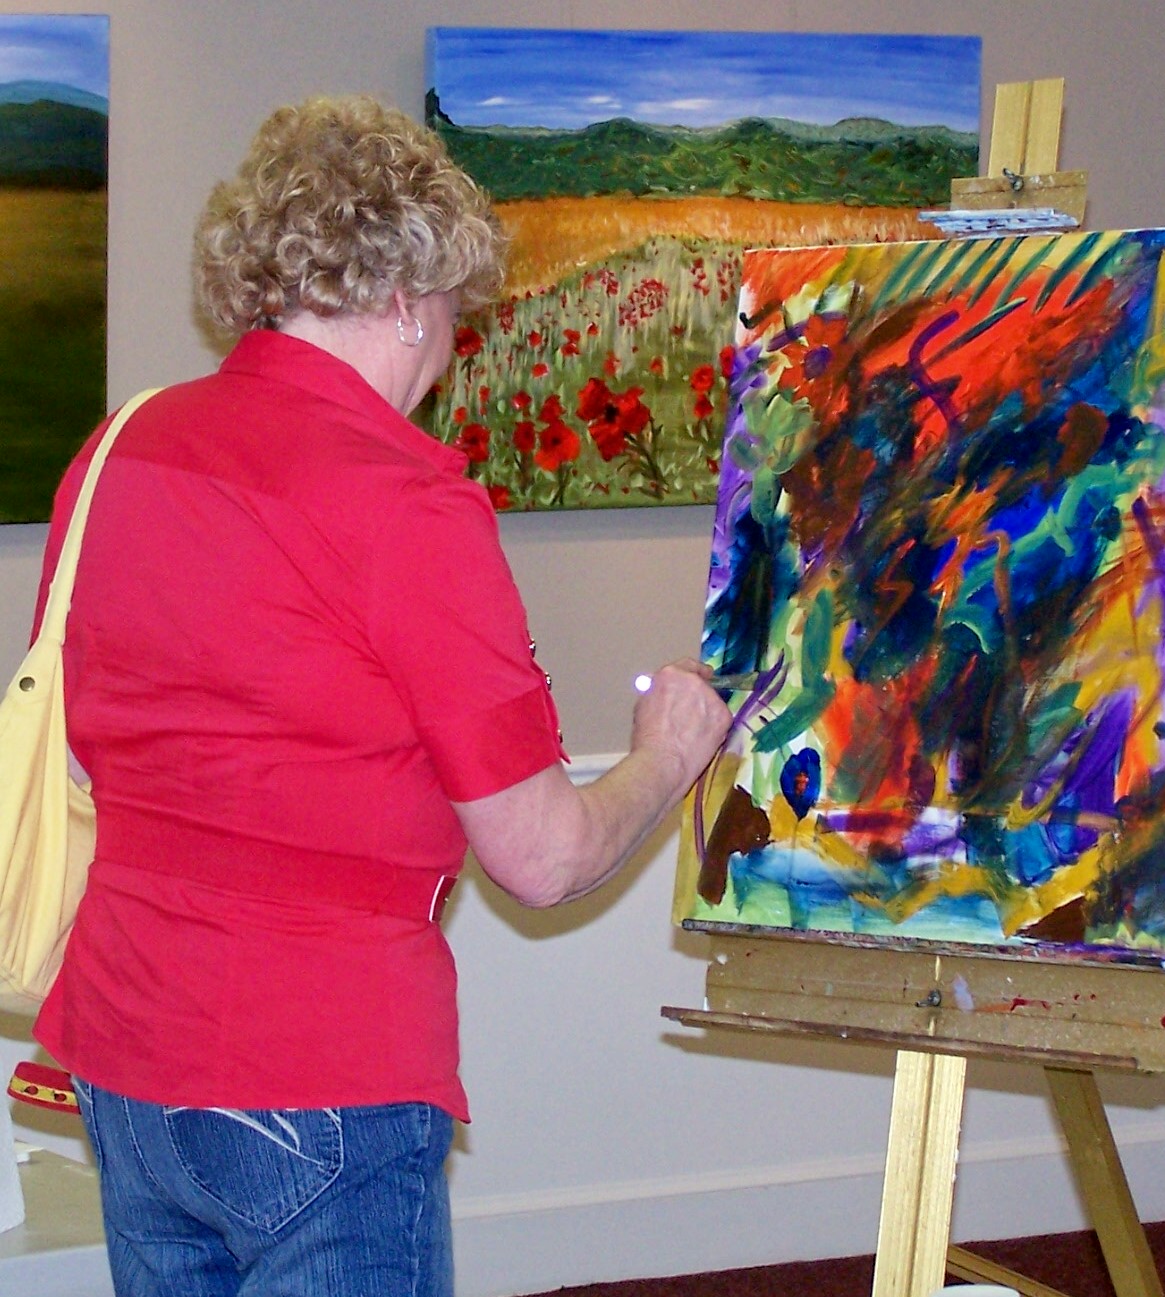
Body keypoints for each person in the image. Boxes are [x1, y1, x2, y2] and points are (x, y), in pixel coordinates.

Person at [29, 95, 732, 1297]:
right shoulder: (403, 503)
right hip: (318, 1068)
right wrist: (667, 752)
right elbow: (542, 855)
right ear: (410, 295)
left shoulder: (119, 450)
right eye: (458, 313)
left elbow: (105, 744)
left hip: (124, 1052)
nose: (454, 347)